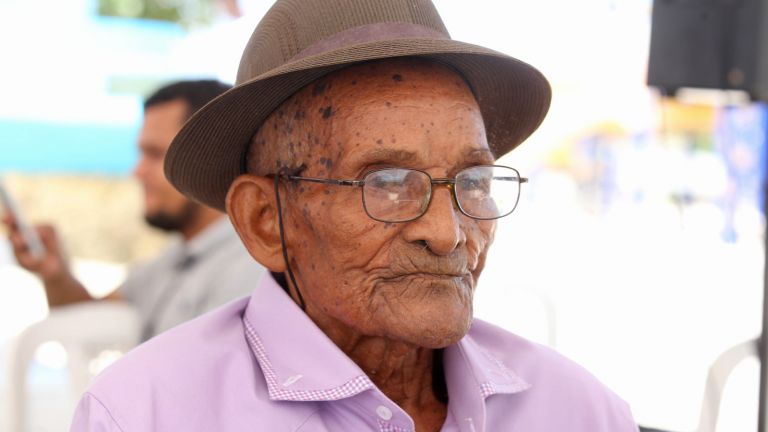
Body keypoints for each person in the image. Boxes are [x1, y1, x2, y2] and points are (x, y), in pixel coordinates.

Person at [70, 1, 639, 431]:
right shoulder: (146, 413)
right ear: (266, 219)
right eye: (387, 183)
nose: (448, 234)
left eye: (474, 181)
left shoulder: (579, 410)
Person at [4, 80, 265, 341]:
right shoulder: (173, 259)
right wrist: (55, 273)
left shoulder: (250, 268)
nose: (137, 171)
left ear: (212, 159)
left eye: (154, 154)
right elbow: (88, 321)